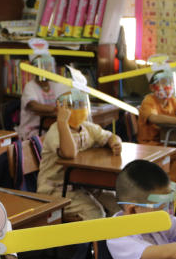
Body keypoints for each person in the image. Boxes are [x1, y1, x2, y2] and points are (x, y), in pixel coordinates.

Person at [36, 89, 122, 220]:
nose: (79, 109)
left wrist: (115, 143)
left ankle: (114, 239)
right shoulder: (56, 131)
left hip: (84, 184)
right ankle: (96, 240)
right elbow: (69, 153)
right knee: (95, 213)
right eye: (72, 105)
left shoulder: (87, 127)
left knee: (118, 205)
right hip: (56, 189)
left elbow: (109, 136)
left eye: (82, 104)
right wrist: (62, 122)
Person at [17, 53, 68, 140]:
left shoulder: (54, 85)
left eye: (49, 66)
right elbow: (33, 106)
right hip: (32, 131)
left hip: (50, 128)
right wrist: (57, 109)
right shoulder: (30, 86)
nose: (47, 69)